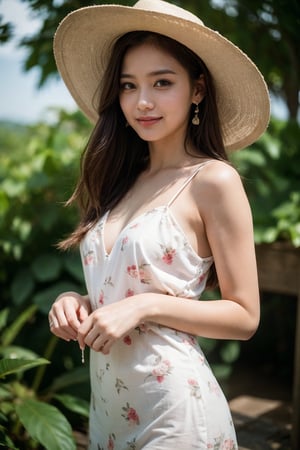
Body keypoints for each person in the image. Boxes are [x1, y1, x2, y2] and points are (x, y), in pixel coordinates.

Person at [49, 1, 270, 449]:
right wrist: (79, 301)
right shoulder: (123, 180)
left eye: (162, 82)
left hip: (176, 412)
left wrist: (144, 306)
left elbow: (245, 316)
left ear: (198, 90)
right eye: (129, 86)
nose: (142, 101)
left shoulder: (213, 181)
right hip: (109, 412)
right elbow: (127, 286)